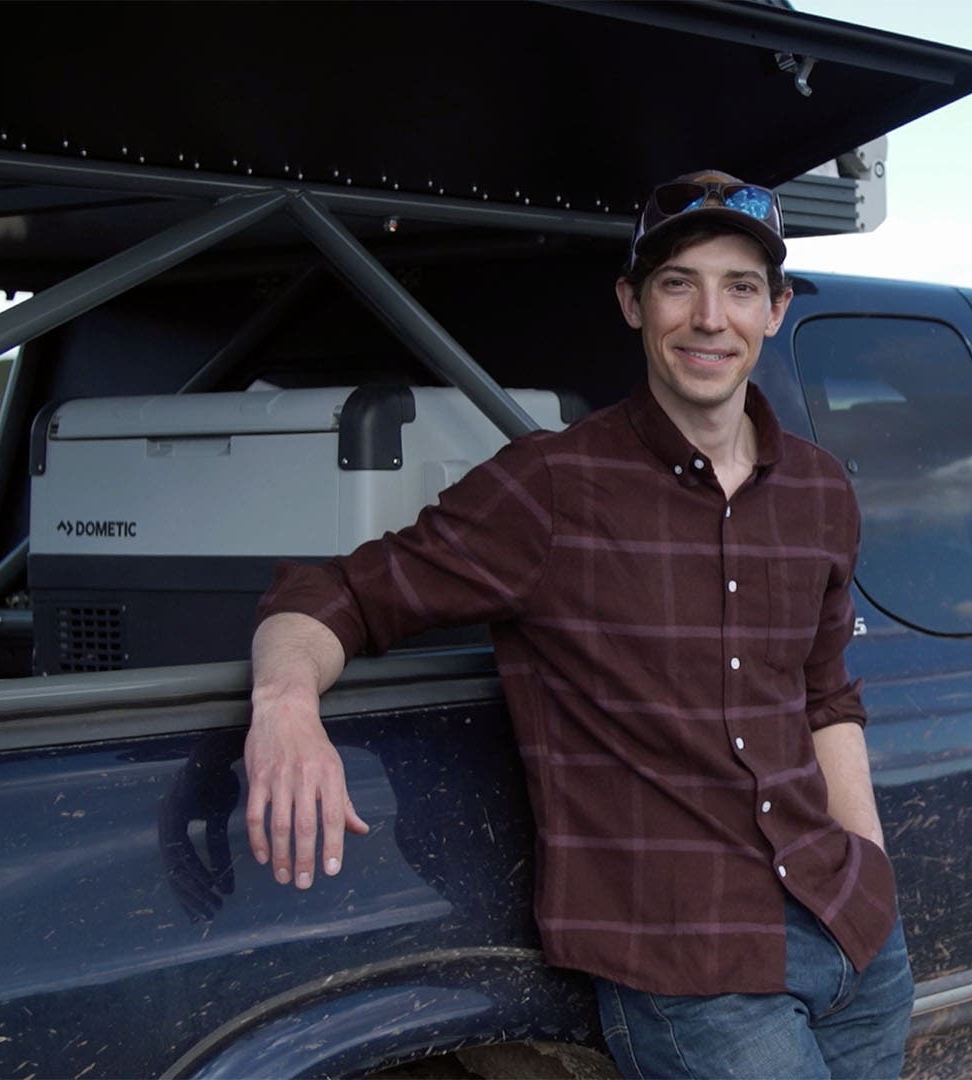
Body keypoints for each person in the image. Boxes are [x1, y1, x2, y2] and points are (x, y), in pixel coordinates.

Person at [243, 169, 912, 1078]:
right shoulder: (550, 488)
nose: (709, 317)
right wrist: (285, 708)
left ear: (775, 309)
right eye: (678, 284)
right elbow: (344, 594)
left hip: (852, 938)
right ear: (632, 303)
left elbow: (825, 696)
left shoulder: (821, 490)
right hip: (693, 970)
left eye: (740, 287)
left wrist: (868, 865)